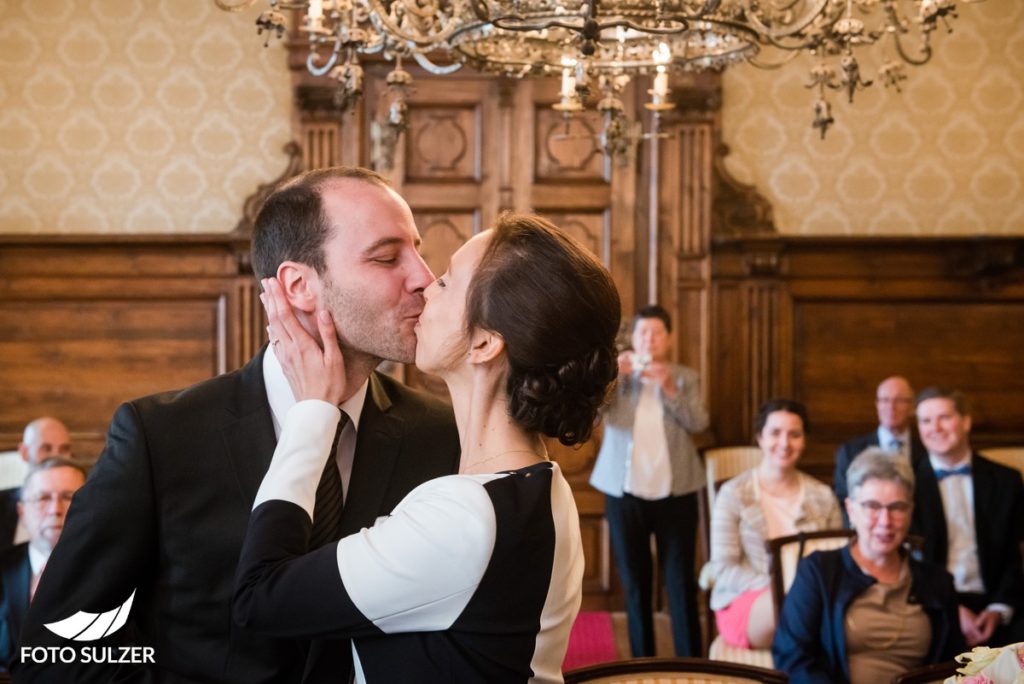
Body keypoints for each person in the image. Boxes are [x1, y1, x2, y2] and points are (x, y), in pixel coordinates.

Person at [17, 167, 461, 683]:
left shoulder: (442, 436)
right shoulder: (161, 436)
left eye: (417, 250)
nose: (424, 278)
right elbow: (53, 651)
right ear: (299, 285)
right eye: (387, 257)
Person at [233, 213, 620, 682]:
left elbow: (259, 597)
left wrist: (313, 411)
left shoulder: (466, 517)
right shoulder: (545, 486)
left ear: (482, 343)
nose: (422, 286)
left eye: (446, 281)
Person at [773, 448, 964, 684]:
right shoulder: (819, 570)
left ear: (910, 511)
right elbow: (792, 657)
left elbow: (953, 668)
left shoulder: (938, 582)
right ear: (851, 509)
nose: (885, 521)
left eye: (897, 507)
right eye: (873, 506)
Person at [588, 304, 709, 657]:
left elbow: (699, 423)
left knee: (680, 581)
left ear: (668, 339)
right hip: (624, 494)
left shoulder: (685, 377)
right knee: (635, 584)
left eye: (657, 333)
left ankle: (692, 664)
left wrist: (670, 387)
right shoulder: (616, 378)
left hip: (678, 492)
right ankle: (642, 661)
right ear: (634, 338)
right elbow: (595, 416)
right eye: (643, 333)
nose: (650, 339)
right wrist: (613, 377)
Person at [705, 399, 841, 650]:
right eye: (775, 433)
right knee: (798, 608)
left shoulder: (823, 496)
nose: (784, 443)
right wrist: (783, 587)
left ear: (804, 441)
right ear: (760, 438)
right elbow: (723, 570)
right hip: (748, 600)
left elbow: (836, 561)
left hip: (814, 601)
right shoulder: (734, 493)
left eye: (794, 435)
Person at [911, 387, 1024, 648]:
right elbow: (909, 562)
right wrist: (953, 609)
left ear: (966, 421)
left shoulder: (1006, 481)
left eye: (944, 417)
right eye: (925, 421)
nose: (935, 428)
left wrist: (999, 608)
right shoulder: (907, 485)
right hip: (931, 602)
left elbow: (1014, 556)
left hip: (997, 601)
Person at [0, 457, 86, 671]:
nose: (55, 509)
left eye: (69, 497)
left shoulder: (116, 573)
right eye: (42, 498)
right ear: (21, 512)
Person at [833, 376, 927, 525]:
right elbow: (843, 502)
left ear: (912, 407)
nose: (891, 407)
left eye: (899, 400)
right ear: (877, 404)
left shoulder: (927, 449)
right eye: (884, 400)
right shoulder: (851, 451)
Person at [0, 417, 74, 552]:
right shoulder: (2, 505)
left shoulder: (86, 504)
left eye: (64, 449)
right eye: (46, 449)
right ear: (24, 452)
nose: (56, 457)